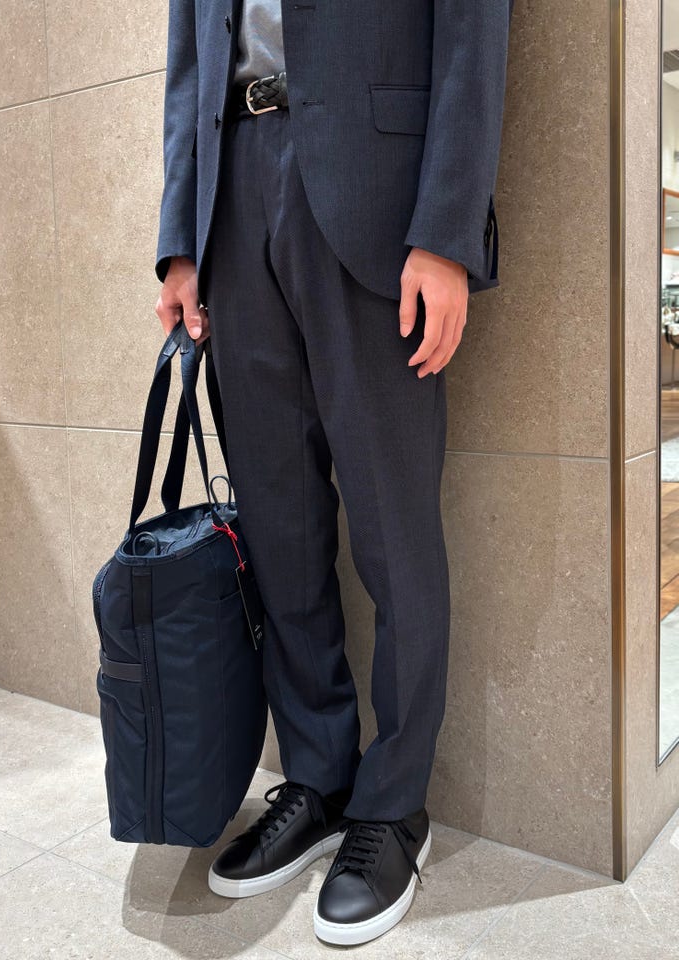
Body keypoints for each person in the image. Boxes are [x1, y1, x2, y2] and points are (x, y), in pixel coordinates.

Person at [154, 0, 513, 946]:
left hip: (376, 191)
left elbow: (473, 29)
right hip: (232, 198)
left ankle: (393, 804)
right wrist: (181, 241)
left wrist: (447, 227)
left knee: (395, 527)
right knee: (278, 526)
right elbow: (189, 58)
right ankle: (317, 775)